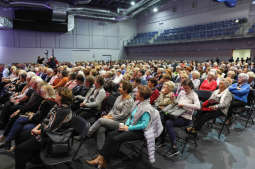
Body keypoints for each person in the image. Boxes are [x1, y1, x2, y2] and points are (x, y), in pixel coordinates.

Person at [86, 85, 153, 169]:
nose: (135, 93)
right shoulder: (137, 102)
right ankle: (101, 159)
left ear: (142, 95)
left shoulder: (147, 108)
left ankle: (103, 159)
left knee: (115, 139)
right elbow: (130, 116)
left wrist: (128, 127)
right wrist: (127, 124)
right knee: (110, 135)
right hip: (128, 126)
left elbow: (144, 125)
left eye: (138, 92)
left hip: (138, 132)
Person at [14, 87, 73, 169]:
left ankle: (24, 160)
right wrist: (37, 127)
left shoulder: (62, 111)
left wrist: (36, 131)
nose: (55, 95)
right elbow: (46, 119)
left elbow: (49, 130)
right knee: (20, 135)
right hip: (44, 130)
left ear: (61, 97)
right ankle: (34, 158)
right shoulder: (58, 106)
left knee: (19, 149)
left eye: (57, 94)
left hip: (49, 137)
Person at [88, 80, 134, 150]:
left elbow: (122, 115)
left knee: (100, 120)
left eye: (121, 87)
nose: (118, 88)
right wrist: (108, 116)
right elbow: (113, 109)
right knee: (101, 129)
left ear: (126, 90)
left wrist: (109, 117)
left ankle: (88, 133)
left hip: (121, 122)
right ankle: (101, 150)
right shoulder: (119, 97)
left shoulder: (129, 101)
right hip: (113, 119)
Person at [165, 79, 200, 157]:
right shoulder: (182, 92)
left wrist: (185, 104)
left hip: (186, 118)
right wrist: (173, 99)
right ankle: (162, 139)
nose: (185, 89)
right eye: (184, 88)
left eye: (187, 88)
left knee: (168, 123)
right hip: (177, 114)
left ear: (191, 87)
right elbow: (177, 103)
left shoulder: (194, 95)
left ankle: (174, 147)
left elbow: (198, 106)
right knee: (164, 116)